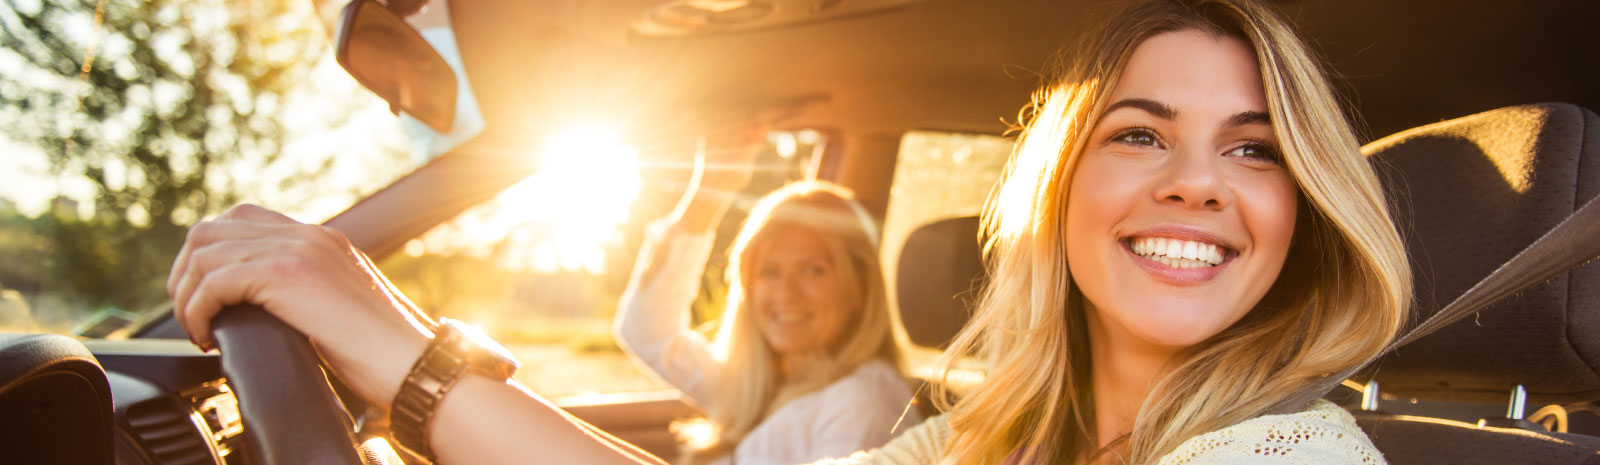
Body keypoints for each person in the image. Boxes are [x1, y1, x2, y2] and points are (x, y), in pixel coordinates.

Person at [166, 0, 1411, 463]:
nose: (1197, 182)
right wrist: (383, 335)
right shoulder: (990, 440)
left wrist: (399, 350)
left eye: (1252, 148)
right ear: (1057, 194)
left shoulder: (1286, 458)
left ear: (1296, 214)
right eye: (1139, 133)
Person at [612, 127, 919, 464]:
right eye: (769, 272)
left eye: (813, 269)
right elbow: (647, 333)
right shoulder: (758, 384)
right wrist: (709, 192)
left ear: (860, 286)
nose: (786, 293)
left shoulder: (862, 401)